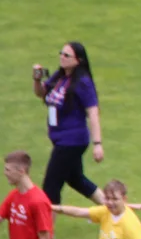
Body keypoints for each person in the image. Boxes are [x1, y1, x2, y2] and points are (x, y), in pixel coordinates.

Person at [32, 42, 105, 205]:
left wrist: (98, 144)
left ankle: (47, 230)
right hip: (60, 138)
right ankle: (111, 208)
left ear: (78, 60)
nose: (62, 57)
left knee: (51, 186)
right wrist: (36, 80)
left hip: (72, 140)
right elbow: (41, 93)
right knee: (75, 179)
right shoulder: (60, 77)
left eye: (67, 55)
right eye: (61, 53)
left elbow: (93, 112)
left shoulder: (82, 82)